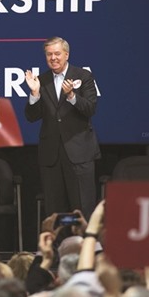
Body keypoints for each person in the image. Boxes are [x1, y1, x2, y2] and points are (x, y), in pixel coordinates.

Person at [25, 36, 100, 220]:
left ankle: (84, 247)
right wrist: (34, 94)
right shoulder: (41, 80)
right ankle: (57, 247)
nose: (53, 58)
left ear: (66, 54)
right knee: (55, 211)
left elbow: (90, 109)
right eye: (49, 54)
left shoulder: (83, 76)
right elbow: (31, 116)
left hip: (79, 154)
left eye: (57, 53)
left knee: (82, 208)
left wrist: (72, 96)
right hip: (52, 156)